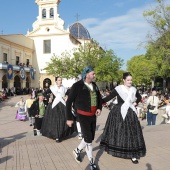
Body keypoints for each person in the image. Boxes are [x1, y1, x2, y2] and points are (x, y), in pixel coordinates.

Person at [100, 72, 146, 164]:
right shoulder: (118, 89)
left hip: (130, 112)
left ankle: (133, 155)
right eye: (128, 80)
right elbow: (109, 98)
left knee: (132, 133)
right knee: (118, 132)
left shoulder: (133, 89)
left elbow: (139, 96)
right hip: (119, 112)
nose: (130, 81)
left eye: (131, 80)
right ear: (123, 80)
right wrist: (98, 101)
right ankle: (118, 149)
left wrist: (135, 103)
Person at [66, 66, 102, 170]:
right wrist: (69, 118)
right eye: (93, 73)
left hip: (93, 116)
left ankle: (77, 150)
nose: (94, 75)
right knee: (88, 140)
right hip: (82, 116)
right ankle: (92, 163)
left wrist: (99, 108)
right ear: (86, 75)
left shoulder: (94, 85)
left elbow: (99, 99)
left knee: (89, 138)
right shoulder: (77, 86)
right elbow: (69, 102)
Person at [41, 76, 74, 142]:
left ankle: (61, 134)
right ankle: (56, 136)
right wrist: (49, 98)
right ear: (56, 81)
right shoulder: (52, 88)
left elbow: (70, 94)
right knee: (54, 121)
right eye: (59, 80)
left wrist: (67, 97)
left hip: (62, 106)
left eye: (61, 80)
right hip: (54, 106)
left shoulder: (64, 88)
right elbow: (44, 93)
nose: (60, 81)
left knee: (62, 120)